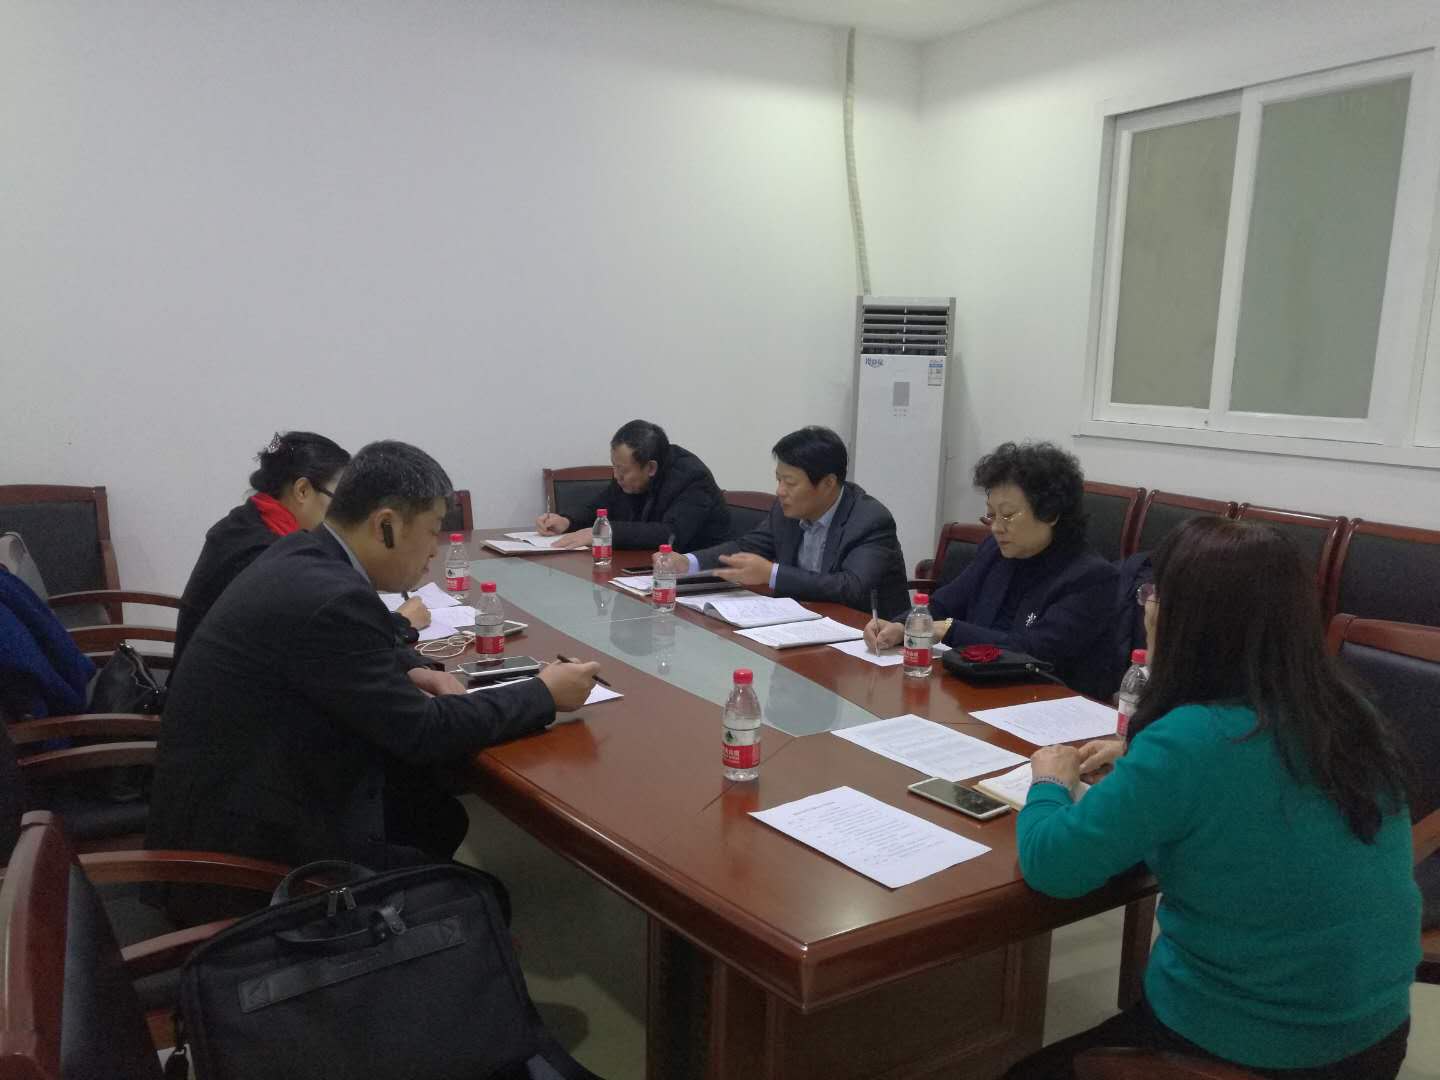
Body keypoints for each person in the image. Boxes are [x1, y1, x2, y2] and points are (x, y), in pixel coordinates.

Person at [1006, 518, 1418, 1080]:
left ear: (1188, 620)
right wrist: (1138, 757)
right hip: (1376, 1037)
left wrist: (1051, 781)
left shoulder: (1189, 741)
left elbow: (1053, 865)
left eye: (1155, 593)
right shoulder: (1348, 713)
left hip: (1247, 1048)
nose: (1147, 606)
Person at [147, 440, 599, 896]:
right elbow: (423, 732)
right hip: (242, 857)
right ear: (386, 525)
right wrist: (544, 693)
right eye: (433, 531)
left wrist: (409, 667)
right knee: (479, 893)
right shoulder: (333, 596)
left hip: (245, 795)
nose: (435, 551)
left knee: (433, 812)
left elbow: (342, 647)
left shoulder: (305, 553)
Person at [864, 441, 1116, 697]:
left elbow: (1035, 651)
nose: (996, 528)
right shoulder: (995, 552)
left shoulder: (1090, 578)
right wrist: (901, 625)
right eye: (991, 515)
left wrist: (948, 629)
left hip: (1043, 701)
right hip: (977, 690)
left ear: (1050, 514)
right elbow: (944, 603)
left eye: (1007, 516)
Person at [173, 432, 427, 666]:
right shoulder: (263, 554)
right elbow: (327, 639)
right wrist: (400, 622)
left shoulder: (248, 520)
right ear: (302, 490)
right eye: (341, 500)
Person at [682, 426, 909, 618]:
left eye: (790, 483)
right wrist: (687, 562)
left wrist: (772, 573)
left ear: (828, 483)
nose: (780, 491)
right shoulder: (786, 511)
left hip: (866, 636)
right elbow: (746, 547)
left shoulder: (870, 520)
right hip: (802, 621)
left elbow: (851, 587)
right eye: (778, 480)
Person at [535, 420, 730, 551]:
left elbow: (670, 534)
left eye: (622, 470)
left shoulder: (693, 478)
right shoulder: (627, 474)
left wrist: (605, 532)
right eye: (614, 466)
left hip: (701, 579)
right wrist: (567, 521)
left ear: (651, 467)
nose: (616, 476)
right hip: (643, 568)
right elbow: (602, 506)